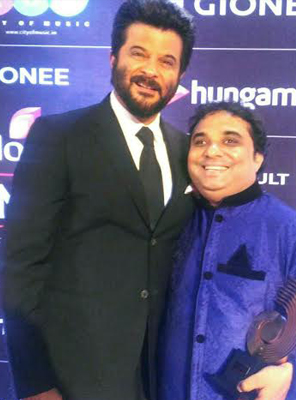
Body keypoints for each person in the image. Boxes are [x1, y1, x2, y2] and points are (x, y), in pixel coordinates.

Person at [1, 1, 195, 400]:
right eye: (138, 53)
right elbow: (19, 266)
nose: (151, 71)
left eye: (167, 61)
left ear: (179, 76)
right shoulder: (58, 137)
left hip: (159, 378)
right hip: (73, 377)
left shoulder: (188, 152)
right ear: (112, 59)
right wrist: (35, 383)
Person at [157, 102, 296, 400]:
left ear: (258, 158)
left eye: (230, 141)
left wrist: (294, 373)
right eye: (200, 141)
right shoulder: (171, 223)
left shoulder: (292, 230)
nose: (211, 151)